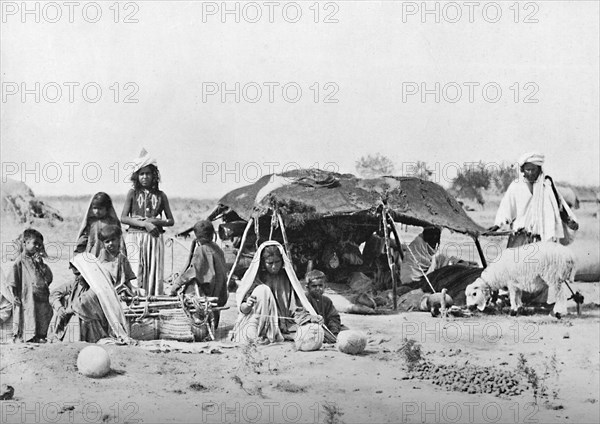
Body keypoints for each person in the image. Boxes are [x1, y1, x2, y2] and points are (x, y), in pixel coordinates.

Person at [232, 241, 322, 344]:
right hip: (256, 323)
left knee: (313, 330)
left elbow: (295, 308)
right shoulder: (255, 279)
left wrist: (309, 318)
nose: (274, 266)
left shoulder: (287, 278)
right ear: (262, 262)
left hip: (283, 326)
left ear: (282, 261)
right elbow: (243, 309)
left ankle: (272, 333)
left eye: (277, 262)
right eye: (270, 263)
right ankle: (261, 334)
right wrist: (247, 305)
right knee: (263, 290)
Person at [488, 152, 578, 248]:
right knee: (516, 259)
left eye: (533, 170)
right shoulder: (516, 186)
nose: (530, 173)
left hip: (544, 236)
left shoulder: (547, 185)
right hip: (521, 235)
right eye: (528, 170)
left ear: (539, 170)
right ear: (523, 170)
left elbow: (559, 204)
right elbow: (506, 208)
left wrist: (569, 221)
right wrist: (497, 225)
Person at [121, 149, 174, 296]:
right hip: (135, 238)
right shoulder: (132, 193)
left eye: (148, 173)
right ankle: (135, 303)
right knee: (136, 270)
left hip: (154, 239)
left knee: (153, 272)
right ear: (136, 176)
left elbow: (170, 221)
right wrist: (145, 224)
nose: (145, 177)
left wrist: (154, 221)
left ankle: (152, 303)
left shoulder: (161, 195)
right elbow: (124, 218)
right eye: (141, 174)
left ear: (154, 176)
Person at [50, 253, 129, 343]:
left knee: (78, 316)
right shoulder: (77, 283)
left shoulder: (98, 289)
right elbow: (55, 293)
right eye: (75, 274)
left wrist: (67, 310)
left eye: (78, 274)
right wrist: (59, 308)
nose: (76, 278)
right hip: (77, 321)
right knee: (61, 309)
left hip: (95, 328)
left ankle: (74, 341)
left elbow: (81, 304)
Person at [169, 220, 228, 329]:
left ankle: (195, 321)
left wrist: (176, 285)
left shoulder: (201, 250)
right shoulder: (217, 249)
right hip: (219, 295)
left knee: (188, 287)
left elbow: (193, 272)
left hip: (206, 296)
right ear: (212, 234)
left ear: (197, 236)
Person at [6, 229, 53, 343]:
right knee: (28, 315)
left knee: (42, 314)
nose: (37, 247)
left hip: (41, 295)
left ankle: (41, 335)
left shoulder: (38, 260)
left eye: (39, 245)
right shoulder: (20, 261)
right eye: (34, 243)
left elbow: (48, 277)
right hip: (27, 296)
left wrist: (41, 265)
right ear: (25, 243)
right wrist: (14, 295)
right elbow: (12, 280)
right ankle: (28, 337)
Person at [75, 192, 123, 257]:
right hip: (92, 256)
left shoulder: (112, 222)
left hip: (110, 257)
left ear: (107, 208)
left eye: (100, 208)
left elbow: (119, 242)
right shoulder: (90, 222)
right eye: (94, 208)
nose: (97, 211)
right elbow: (82, 240)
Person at [97, 225, 136, 296]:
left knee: (130, 292)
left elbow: (127, 279)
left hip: (120, 287)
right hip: (106, 288)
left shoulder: (122, 257)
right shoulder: (102, 257)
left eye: (113, 240)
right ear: (103, 244)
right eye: (107, 242)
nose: (111, 243)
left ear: (119, 240)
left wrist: (132, 289)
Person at [305, 270, 341, 343]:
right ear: (307, 287)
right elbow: (300, 315)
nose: (318, 288)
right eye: (314, 286)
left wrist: (333, 332)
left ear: (325, 286)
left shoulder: (326, 301)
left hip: (325, 329)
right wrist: (312, 319)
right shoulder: (304, 299)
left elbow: (333, 317)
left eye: (320, 285)